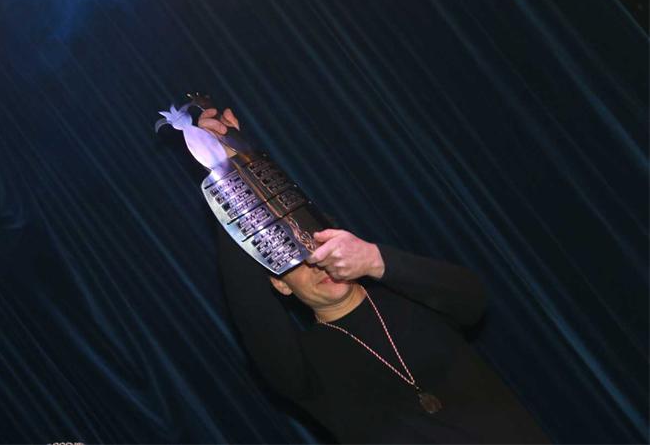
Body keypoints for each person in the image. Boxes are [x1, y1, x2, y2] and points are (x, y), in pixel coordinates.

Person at [199, 107, 551, 444]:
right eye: (297, 259)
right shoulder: (302, 365)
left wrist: (376, 261)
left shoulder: (410, 293)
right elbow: (248, 303)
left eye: (320, 246)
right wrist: (227, 168)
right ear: (280, 283)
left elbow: (472, 298)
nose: (317, 261)